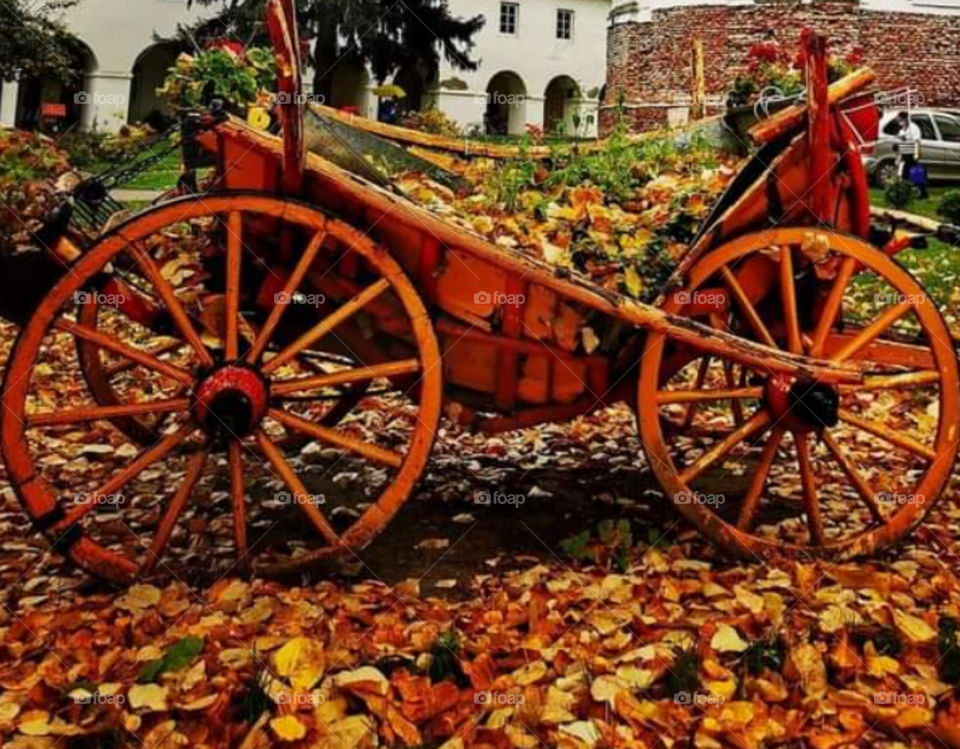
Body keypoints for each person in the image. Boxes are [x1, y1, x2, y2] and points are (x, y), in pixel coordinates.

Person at [895, 111, 928, 198]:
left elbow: (917, 142)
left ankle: (922, 192)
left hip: (912, 153)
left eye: (900, 119)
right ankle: (907, 192)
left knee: (915, 174)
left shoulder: (914, 128)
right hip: (905, 154)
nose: (898, 121)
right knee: (904, 174)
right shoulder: (901, 130)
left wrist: (916, 154)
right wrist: (899, 157)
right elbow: (901, 144)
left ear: (905, 119)